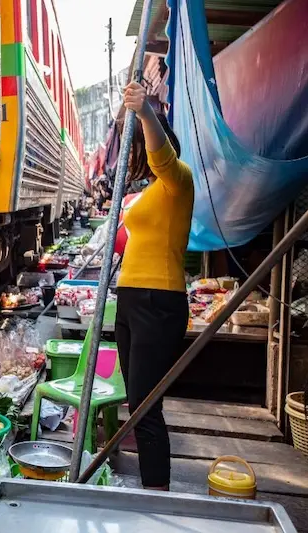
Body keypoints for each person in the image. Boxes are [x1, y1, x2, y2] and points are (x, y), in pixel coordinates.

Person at [114, 81, 194, 490]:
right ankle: (151, 489)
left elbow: (160, 157)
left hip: (157, 301)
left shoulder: (178, 180)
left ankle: (156, 496)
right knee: (138, 405)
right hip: (130, 300)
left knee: (146, 411)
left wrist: (145, 112)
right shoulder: (150, 193)